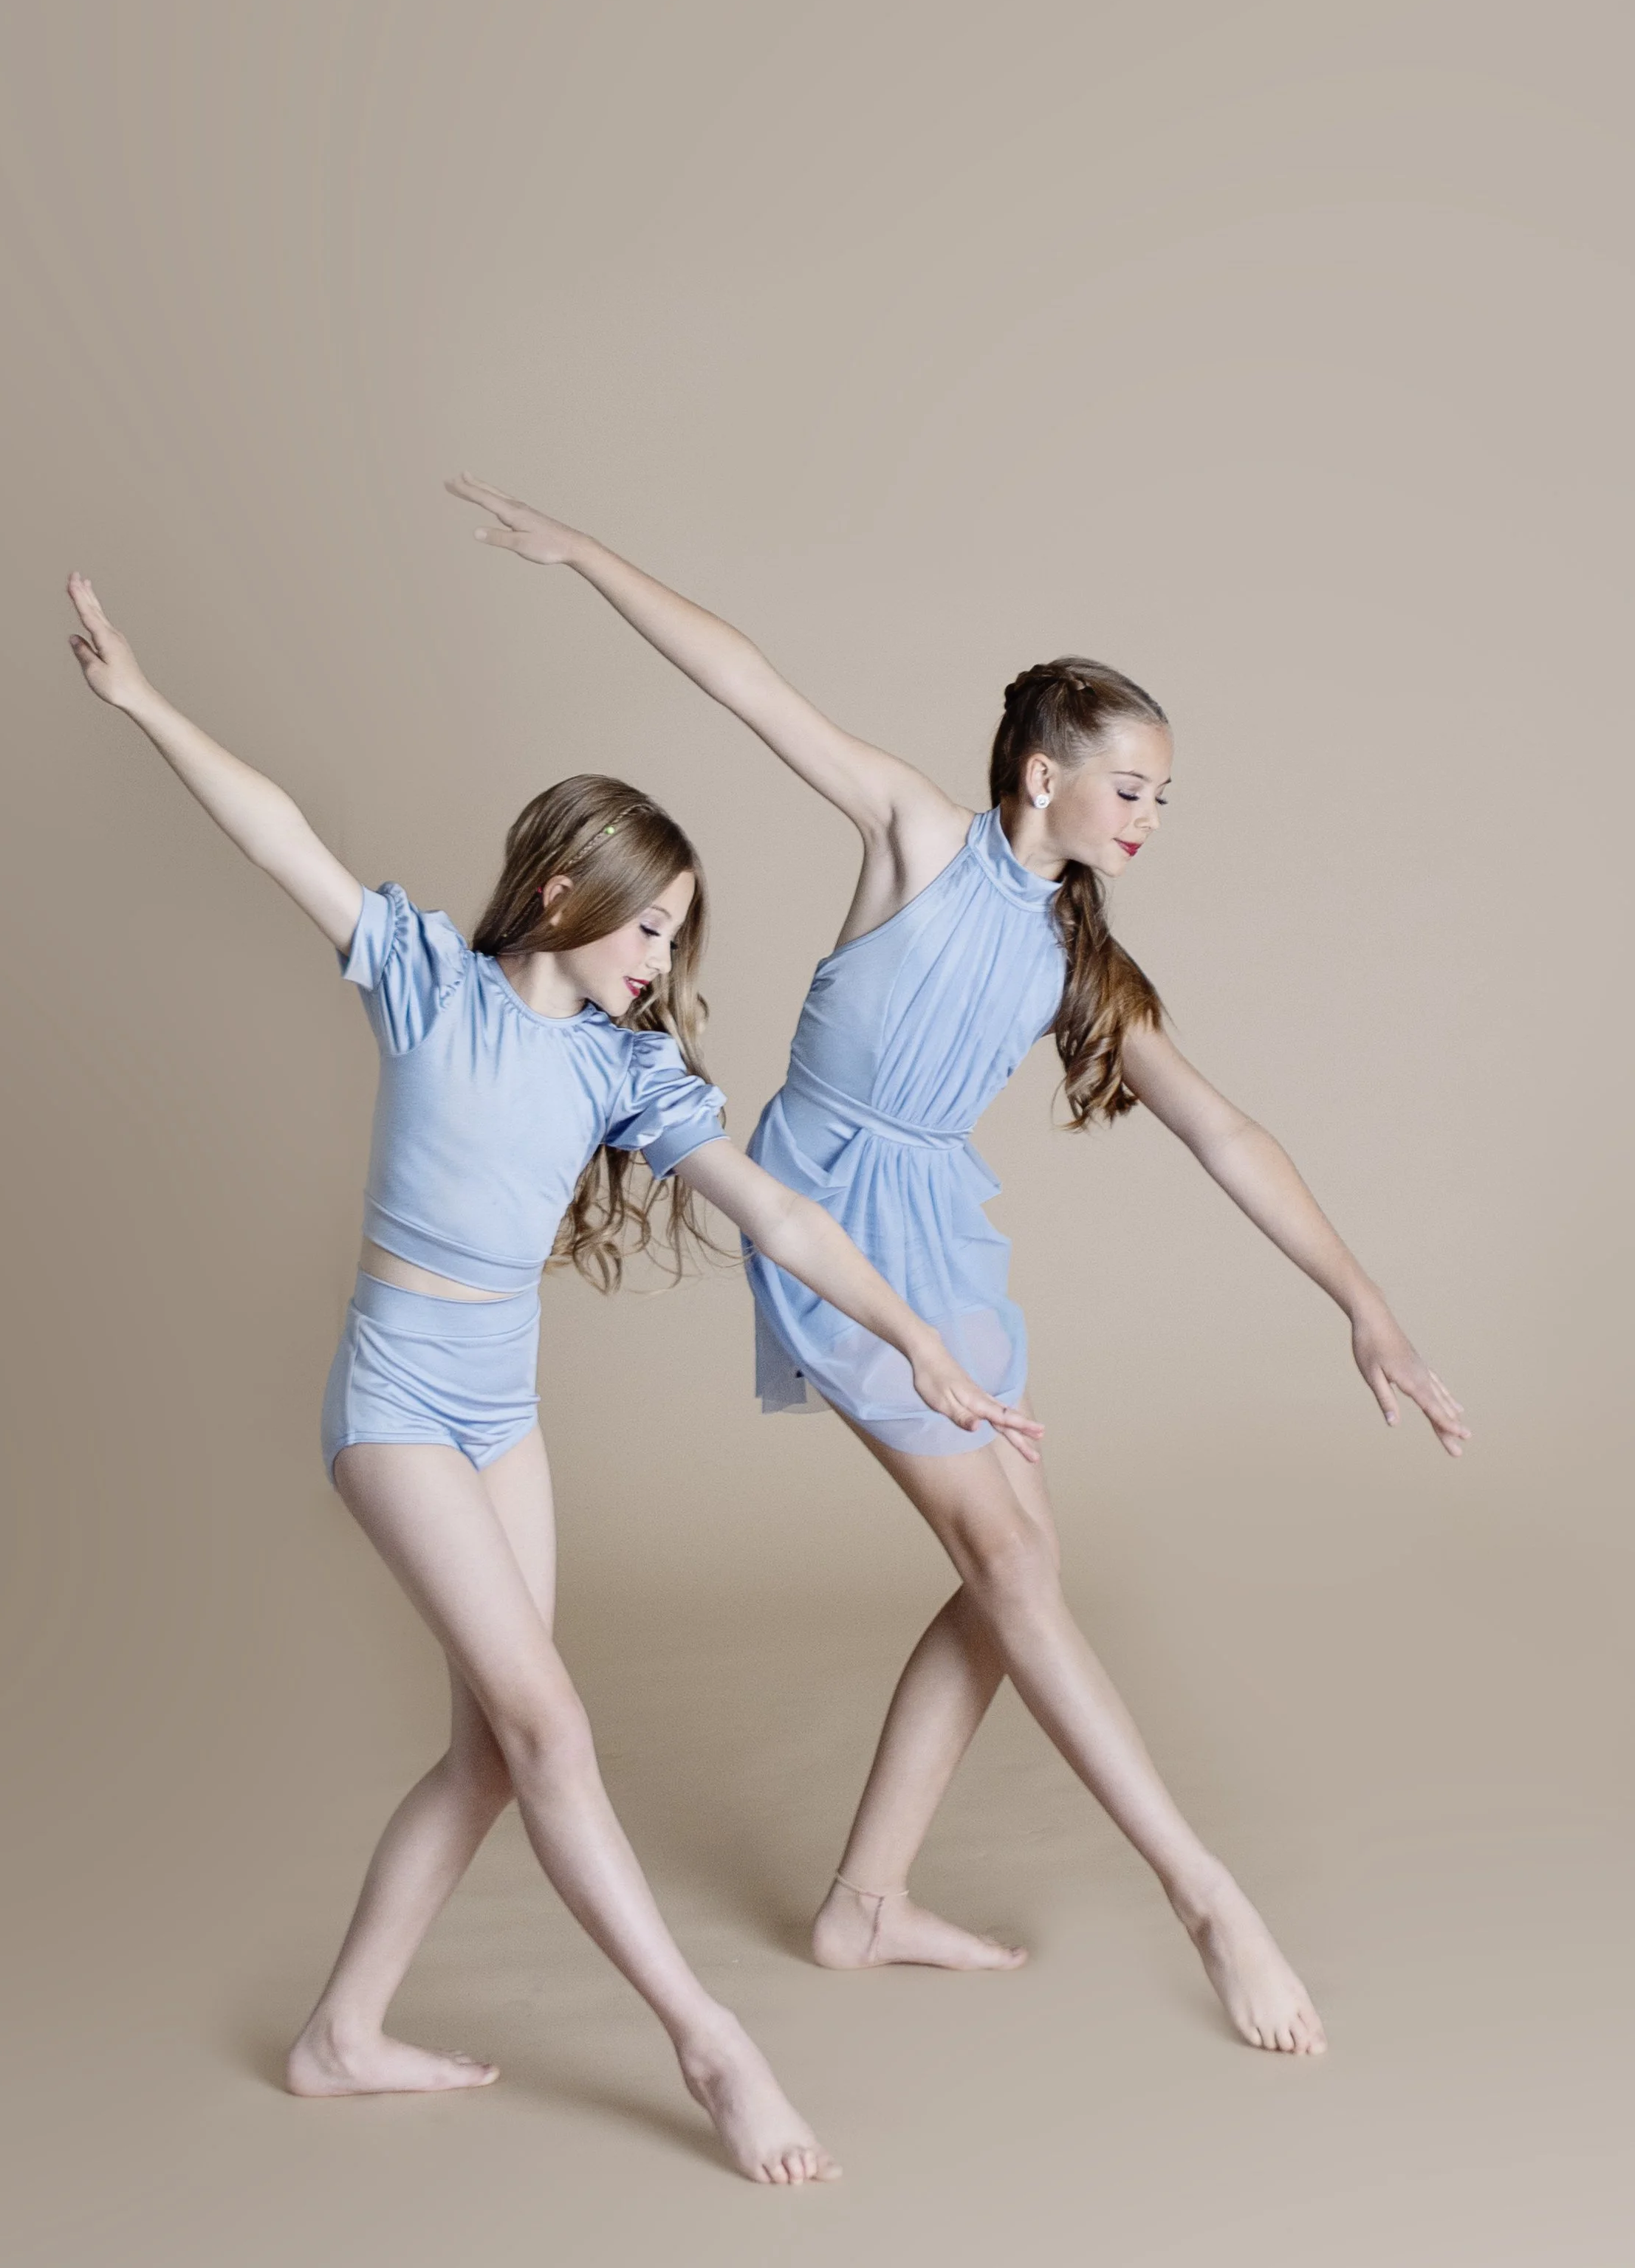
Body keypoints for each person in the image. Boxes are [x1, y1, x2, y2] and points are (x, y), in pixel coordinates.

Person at [450, 475, 1472, 2058]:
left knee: (1015, 1580)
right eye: (1128, 787)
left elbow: (1226, 1130)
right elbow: (745, 682)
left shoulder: (1079, 956)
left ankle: (864, 1901)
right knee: (1013, 1564)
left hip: (947, 1239)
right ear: (1042, 775)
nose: (1145, 819)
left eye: (1162, 799)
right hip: (828, 1213)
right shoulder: (918, 832)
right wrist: (586, 558)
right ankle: (1207, 1896)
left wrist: (1368, 1308)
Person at [65, 571, 1039, 2182]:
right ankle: (712, 2045)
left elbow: (779, 1209)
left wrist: (922, 1339)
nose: (664, 954)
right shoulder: (426, 981)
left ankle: (338, 2037)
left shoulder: (626, 1067)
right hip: (391, 1408)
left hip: (500, 1419)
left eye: (679, 930)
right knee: (554, 1727)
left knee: (488, 1759)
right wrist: (145, 702)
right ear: (566, 894)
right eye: (648, 920)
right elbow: (278, 836)